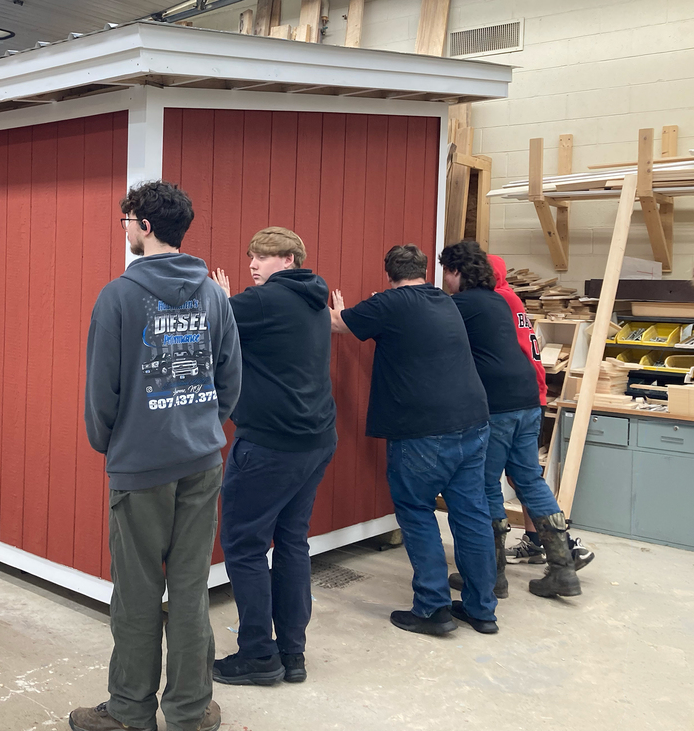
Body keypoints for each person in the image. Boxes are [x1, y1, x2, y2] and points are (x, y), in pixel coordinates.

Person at [71, 181, 242, 731]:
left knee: (138, 592)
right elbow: (229, 379)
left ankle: (129, 712)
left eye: (126, 221)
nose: (124, 230)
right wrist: (201, 426)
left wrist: (116, 445)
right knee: (191, 590)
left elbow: (103, 393)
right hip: (202, 461)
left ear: (144, 225)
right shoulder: (213, 294)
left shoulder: (118, 296)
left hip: (141, 466)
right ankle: (191, 712)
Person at [329, 244, 499, 635]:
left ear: (388, 273)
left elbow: (338, 324)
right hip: (473, 421)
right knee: (471, 514)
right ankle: (481, 609)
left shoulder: (389, 304)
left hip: (424, 430)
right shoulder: (443, 300)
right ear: (425, 271)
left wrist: (329, 308)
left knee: (416, 511)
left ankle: (432, 608)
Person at [207, 227, 336, 686]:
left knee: (244, 547)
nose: (253, 265)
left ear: (289, 259)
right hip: (315, 442)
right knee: (292, 543)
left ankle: (258, 654)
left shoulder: (263, 301)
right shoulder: (315, 301)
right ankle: (292, 653)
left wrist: (223, 301)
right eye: (251, 258)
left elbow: (206, 319)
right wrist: (229, 304)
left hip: (269, 445)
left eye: (264, 256)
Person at [439, 241, 581, 599]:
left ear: (456, 272)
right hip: (528, 397)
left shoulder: (462, 304)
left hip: (498, 404)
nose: (443, 280)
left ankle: (491, 576)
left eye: (445, 272)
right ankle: (563, 571)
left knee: (486, 483)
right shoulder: (502, 300)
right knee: (529, 478)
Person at [488, 254, 595, 571]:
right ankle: (538, 544)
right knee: (522, 475)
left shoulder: (493, 301)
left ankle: (561, 548)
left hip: (511, 399)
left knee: (489, 479)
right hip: (532, 392)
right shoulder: (512, 298)